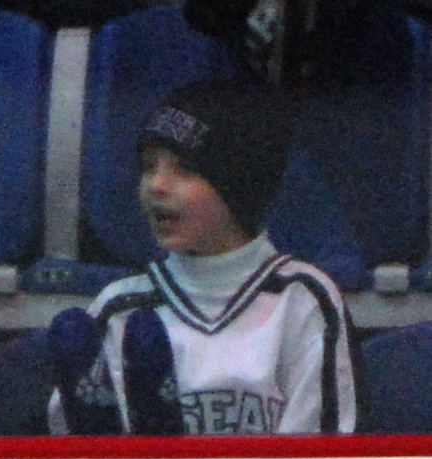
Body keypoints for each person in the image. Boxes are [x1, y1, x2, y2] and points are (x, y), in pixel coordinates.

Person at [48, 80, 357, 436]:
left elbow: (327, 456)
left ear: (238, 184)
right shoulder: (119, 308)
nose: (156, 185)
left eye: (184, 169)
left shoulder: (304, 299)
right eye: (148, 166)